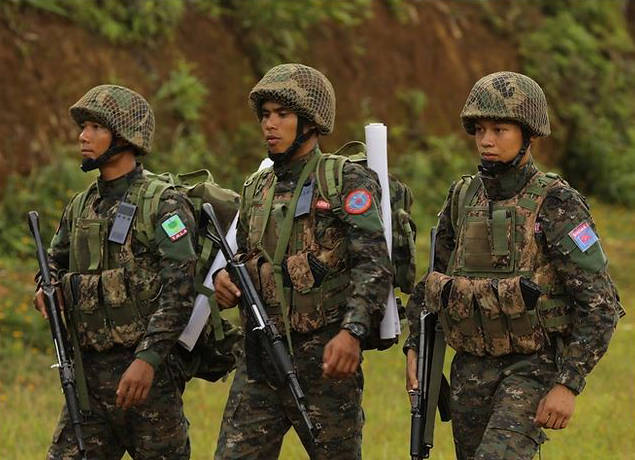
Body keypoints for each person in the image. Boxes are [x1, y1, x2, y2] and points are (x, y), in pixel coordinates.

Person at [404, 71, 623, 459]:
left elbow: (600, 304)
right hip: (469, 370)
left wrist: (568, 383)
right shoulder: (463, 197)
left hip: (530, 369)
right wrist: (415, 349)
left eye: (500, 129)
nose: (486, 141)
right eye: (480, 130)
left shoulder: (557, 203)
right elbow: (432, 284)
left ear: (529, 134)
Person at [213, 63, 393, 459]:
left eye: (283, 114)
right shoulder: (256, 187)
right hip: (260, 359)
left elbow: (374, 264)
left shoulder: (344, 180)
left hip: (324, 360)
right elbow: (246, 254)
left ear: (311, 122)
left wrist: (352, 333)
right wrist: (226, 279)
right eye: (265, 115)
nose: (270, 125)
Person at [34, 84, 197, 459]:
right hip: (87, 383)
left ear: (125, 137)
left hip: (147, 382)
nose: (83, 136)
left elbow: (180, 292)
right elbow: (53, 261)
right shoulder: (81, 206)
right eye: (83, 127)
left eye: (95, 127)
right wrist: (46, 286)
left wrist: (147, 361)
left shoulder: (163, 203)